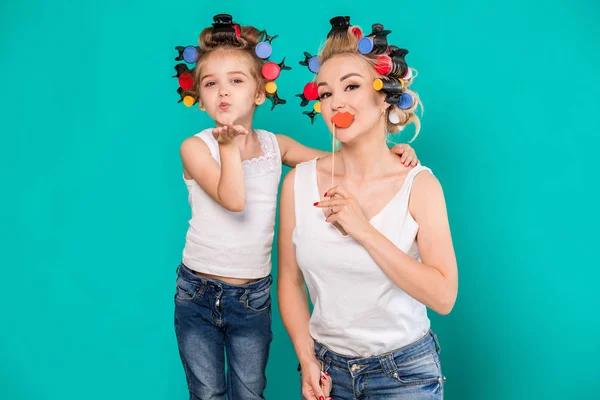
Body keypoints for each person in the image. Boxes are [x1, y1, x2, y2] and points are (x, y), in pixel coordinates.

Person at [173, 14, 420, 400]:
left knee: (251, 391)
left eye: (236, 81)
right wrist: (228, 147)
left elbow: (342, 162)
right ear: (199, 99)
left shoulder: (276, 146)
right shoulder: (196, 148)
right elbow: (233, 200)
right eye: (211, 84)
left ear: (258, 93)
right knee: (206, 392)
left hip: (252, 297)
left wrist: (391, 154)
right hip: (197, 294)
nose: (223, 92)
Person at [278, 16, 458, 400]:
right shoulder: (297, 182)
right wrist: (306, 358)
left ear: (384, 100)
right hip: (326, 372)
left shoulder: (419, 186)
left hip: (404, 376)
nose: (335, 102)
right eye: (325, 94)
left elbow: (444, 296)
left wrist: (364, 230)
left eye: (352, 87)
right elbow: (290, 280)